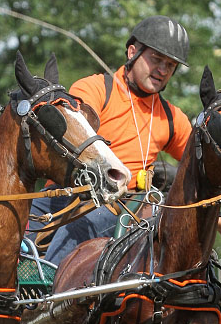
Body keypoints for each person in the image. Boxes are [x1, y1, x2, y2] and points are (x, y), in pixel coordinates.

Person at [28, 15, 192, 265]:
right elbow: (76, 129)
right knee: (12, 231)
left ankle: (46, 300)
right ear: (132, 52)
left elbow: (201, 167)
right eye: (156, 60)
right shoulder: (94, 89)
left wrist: (176, 175)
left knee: (74, 233)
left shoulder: (172, 119)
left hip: (121, 204)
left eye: (170, 66)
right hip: (63, 192)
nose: (162, 70)